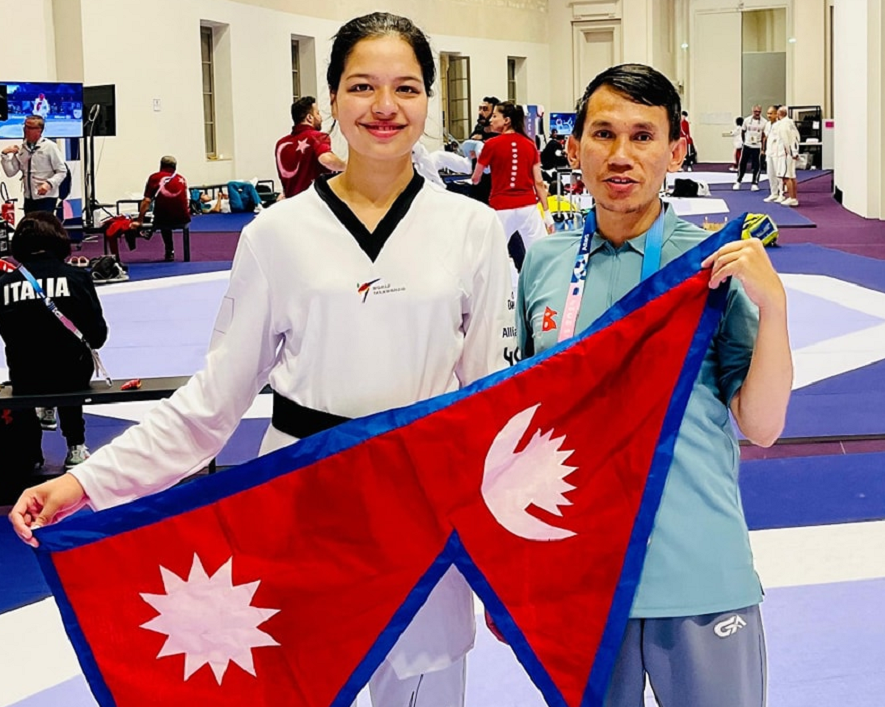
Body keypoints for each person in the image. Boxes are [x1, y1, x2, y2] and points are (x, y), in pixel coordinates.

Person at [9, 12, 514, 707]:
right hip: (301, 503)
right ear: (331, 100)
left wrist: (506, 558)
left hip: (421, 508)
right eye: (362, 86)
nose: (385, 106)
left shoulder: (472, 228)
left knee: (422, 680)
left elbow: (493, 408)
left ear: (429, 99)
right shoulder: (277, 233)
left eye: (406, 87)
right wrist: (86, 482)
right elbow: (211, 402)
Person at [516, 64, 792, 707]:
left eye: (643, 136)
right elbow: (526, 428)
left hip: (696, 569)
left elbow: (763, 426)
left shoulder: (708, 265)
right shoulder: (544, 265)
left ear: (675, 150)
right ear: (573, 147)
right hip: (582, 577)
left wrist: (774, 308)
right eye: (603, 134)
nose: (621, 155)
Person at [0, 212, 108, 469]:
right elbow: (98, 336)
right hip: (72, 374)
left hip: (25, 376)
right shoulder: (77, 277)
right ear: (59, 240)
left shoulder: (4, 283)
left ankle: (30, 446)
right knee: (70, 361)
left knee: (28, 359)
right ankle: (76, 446)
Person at [471, 101, 555, 271]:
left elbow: (475, 178)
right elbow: (539, 182)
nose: (491, 120)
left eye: (495, 116)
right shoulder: (530, 144)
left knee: (493, 259)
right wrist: (547, 213)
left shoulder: (490, 145)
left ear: (507, 120)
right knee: (540, 255)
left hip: (502, 208)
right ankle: (541, 284)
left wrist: (477, 161)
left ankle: (499, 288)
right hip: (528, 208)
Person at [275, 95, 346, 198]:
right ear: (309, 117)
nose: (321, 118)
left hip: (291, 202)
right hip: (315, 201)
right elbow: (327, 160)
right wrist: (347, 166)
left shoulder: (280, 144)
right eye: (318, 113)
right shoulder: (316, 137)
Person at [0, 116, 69, 214]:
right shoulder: (22, 148)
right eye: (25, 126)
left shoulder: (49, 147)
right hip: (29, 197)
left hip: (46, 197)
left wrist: (48, 184)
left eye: (30, 127)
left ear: (39, 130)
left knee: (43, 222)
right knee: (30, 222)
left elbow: (62, 171)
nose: (25, 130)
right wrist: (4, 155)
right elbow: (10, 172)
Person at [130, 156, 191, 262]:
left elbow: (147, 201)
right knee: (167, 211)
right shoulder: (181, 179)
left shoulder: (155, 177)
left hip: (163, 218)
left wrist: (140, 220)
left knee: (162, 213)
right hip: (183, 218)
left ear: (161, 165)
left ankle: (152, 234)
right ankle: (169, 250)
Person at [733, 105, 767, 191]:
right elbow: (743, 131)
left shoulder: (764, 122)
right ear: (752, 111)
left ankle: (754, 183)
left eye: (759, 112)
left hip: (757, 146)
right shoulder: (747, 120)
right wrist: (745, 142)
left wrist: (763, 148)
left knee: (757, 165)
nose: (757, 113)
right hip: (747, 145)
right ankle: (738, 181)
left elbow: (764, 136)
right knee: (742, 163)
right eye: (755, 111)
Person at [775, 106, 801, 207]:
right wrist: (795, 151)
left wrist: (790, 152)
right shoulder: (791, 122)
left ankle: (792, 198)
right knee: (792, 176)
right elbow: (797, 137)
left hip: (785, 153)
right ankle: (793, 197)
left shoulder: (783, 124)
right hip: (791, 152)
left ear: (779, 114)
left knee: (786, 176)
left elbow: (786, 139)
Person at [762, 105, 784, 203]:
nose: (769, 115)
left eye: (771, 113)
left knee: (779, 174)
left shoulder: (780, 124)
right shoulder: (767, 125)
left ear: (776, 114)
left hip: (778, 152)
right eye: (768, 113)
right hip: (769, 152)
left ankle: (781, 194)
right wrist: (763, 149)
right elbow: (766, 137)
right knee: (770, 173)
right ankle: (774, 193)